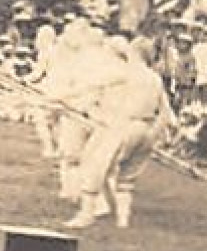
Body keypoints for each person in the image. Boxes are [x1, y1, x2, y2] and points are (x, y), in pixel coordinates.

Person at [63, 36, 169, 230]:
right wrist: (155, 134)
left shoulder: (127, 72)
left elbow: (89, 86)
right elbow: (166, 113)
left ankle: (86, 215)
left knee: (93, 165)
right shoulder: (155, 78)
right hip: (146, 129)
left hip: (123, 126)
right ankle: (123, 222)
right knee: (126, 178)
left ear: (134, 52)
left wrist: (57, 97)